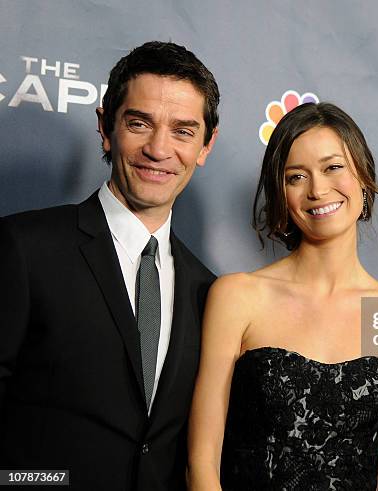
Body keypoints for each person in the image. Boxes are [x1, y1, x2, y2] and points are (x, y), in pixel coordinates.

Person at [0, 41, 219, 491]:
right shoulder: (24, 248)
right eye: (139, 123)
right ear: (105, 127)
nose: (159, 149)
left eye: (182, 131)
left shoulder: (208, 291)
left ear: (205, 146)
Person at [187, 102, 378, 490]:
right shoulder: (238, 296)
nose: (318, 189)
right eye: (296, 176)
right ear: (280, 193)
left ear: (363, 176)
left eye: (333, 168)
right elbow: (201, 463)